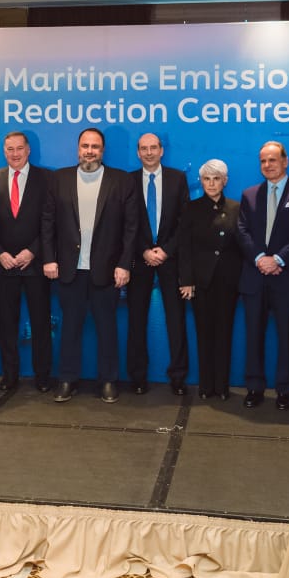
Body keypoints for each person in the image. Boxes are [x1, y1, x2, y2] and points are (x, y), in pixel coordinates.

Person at [42, 127, 138, 403]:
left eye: (95, 147)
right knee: (70, 328)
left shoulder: (121, 180)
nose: (89, 151)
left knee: (107, 328)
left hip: (107, 270)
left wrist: (124, 264)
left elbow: (131, 227)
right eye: (85, 146)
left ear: (103, 150)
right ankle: (67, 379)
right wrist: (49, 258)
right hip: (69, 269)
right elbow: (47, 222)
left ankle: (108, 380)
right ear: (78, 149)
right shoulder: (59, 179)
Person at [236, 141, 289, 410]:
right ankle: (254, 387)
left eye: (272, 160)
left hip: (287, 277)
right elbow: (242, 231)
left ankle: (284, 390)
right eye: (263, 161)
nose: (267, 165)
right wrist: (260, 259)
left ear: (285, 161)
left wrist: (279, 259)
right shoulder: (249, 195)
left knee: (286, 337)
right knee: (253, 336)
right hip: (255, 277)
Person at [0, 131, 54, 393]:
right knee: (6, 323)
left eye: (19, 148)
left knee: (41, 323)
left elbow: (51, 221)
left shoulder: (47, 179)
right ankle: (9, 375)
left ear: (28, 150)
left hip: (35, 264)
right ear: (4, 151)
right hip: (3, 264)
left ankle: (43, 376)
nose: (15, 154)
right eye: (10, 149)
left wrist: (33, 251)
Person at [127, 133, 191, 395]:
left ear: (162, 150)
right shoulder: (128, 181)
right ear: (138, 153)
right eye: (144, 148)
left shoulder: (177, 178)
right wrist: (143, 250)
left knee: (176, 321)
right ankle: (137, 377)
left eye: (153, 147)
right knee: (136, 321)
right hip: (139, 259)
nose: (149, 153)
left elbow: (185, 222)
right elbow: (125, 222)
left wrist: (166, 250)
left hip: (170, 260)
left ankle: (178, 377)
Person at [176, 159, 241, 400]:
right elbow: (184, 247)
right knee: (204, 334)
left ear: (225, 181)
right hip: (200, 282)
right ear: (201, 181)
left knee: (224, 333)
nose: (211, 183)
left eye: (216, 179)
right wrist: (186, 280)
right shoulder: (191, 208)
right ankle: (206, 385)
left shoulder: (236, 208)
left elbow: (242, 246)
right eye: (206, 179)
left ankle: (221, 386)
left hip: (228, 282)